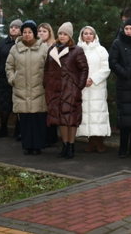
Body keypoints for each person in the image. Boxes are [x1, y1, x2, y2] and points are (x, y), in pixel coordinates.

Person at [44, 22, 89, 159]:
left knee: (71, 118)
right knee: (61, 118)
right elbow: (46, 68)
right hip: (55, 90)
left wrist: (78, 85)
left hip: (70, 90)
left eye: (65, 34)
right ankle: (64, 145)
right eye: (60, 34)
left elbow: (84, 69)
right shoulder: (52, 49)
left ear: (70, 36)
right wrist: (46, 84)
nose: (62, 36)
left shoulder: (76, 50)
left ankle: (71, 145)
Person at [7, 20, 48, 155]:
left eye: (30, 32)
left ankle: (37, 146)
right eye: (24, 32)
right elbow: (9, 66)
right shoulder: (15, 49)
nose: (27, 34)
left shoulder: (44, 48)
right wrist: (12, 79)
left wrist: (46, 81)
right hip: (21, 89)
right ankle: (27, 146)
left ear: (35, 33)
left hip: (39, 89)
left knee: (38, 119)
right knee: (25, 120)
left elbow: (50, 67)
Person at [109, 18, 131, 158]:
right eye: (126, 29)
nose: (128, 31)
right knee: (125, 118)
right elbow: (113, 62)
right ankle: (123, 147)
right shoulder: (117, 43)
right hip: (124, 85)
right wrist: (126, 74)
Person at [76, 25, 112, 153]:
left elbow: (106, 68)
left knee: (98, 116)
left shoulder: (101, 50)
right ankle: (91, 142)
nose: (88, 35)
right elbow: (73, 68)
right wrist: (82, 80)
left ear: (94, 35)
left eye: (90, 33)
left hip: (97, 87)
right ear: (81, 36)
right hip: (83, 87)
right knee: (86, 116)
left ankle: (100, 142)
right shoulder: (77, 50)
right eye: (85, 33)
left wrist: (92, 79)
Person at [0, 19, 22, 138]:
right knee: (3, 105)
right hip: (3, 78)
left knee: (18, 105)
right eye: (11, 27)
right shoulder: (3, 43)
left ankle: (18, 129)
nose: (13, 29)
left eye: (16, 27)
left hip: (19, 79)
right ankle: (3, 128)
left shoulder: (23, 43)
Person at [38, 22, 58, 147]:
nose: (41, 33)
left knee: (50, 110)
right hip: (37, 83)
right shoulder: (35, 46)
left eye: (44, 31)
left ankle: (51, 137)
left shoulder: (54, 47)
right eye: (39, 31)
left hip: (51, 84)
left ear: (49, 33)